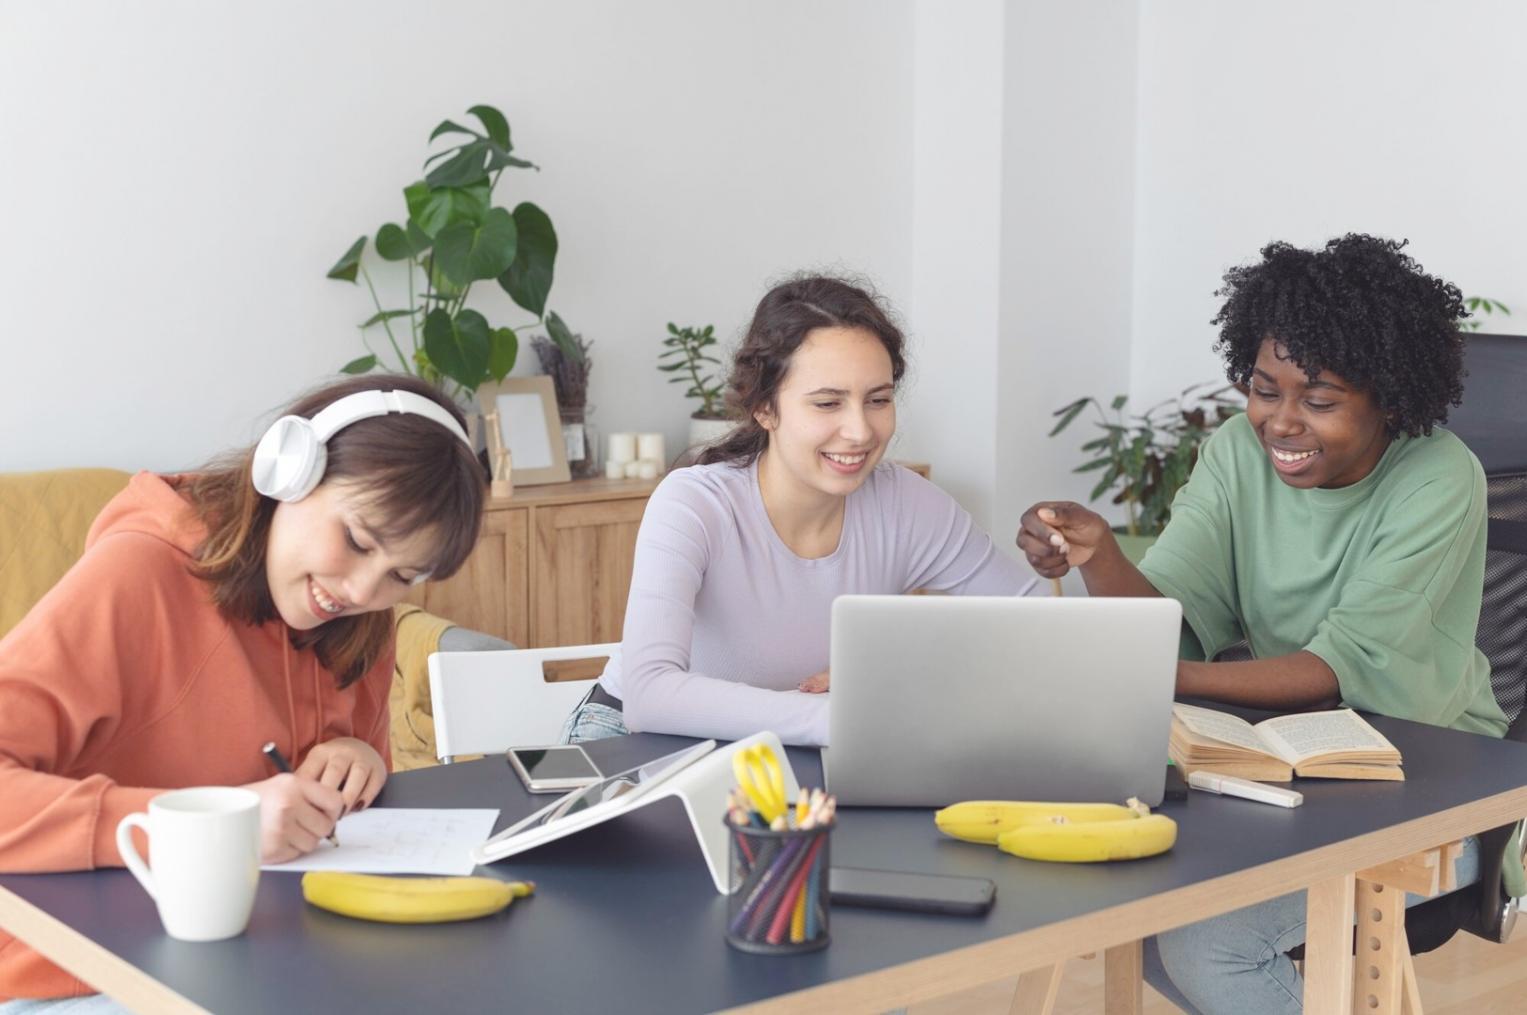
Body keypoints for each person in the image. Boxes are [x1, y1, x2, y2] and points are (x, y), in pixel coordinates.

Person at [1016, 233, 1502, 1015]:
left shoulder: (1439, 475)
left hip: (1434, 784)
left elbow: (1330, 666)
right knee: (1127, 904)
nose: (1279, 422)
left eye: (1318, 400)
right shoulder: (1234, 453)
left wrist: (1147, 674)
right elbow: (1161, 617)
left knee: (1211, 941)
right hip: (1281, 767)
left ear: (1387, 398)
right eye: (1262, 388)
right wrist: (1096, 555)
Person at [0, 374, 486, 1008]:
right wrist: (211, 830)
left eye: (401, 575)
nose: (365, 591)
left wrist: (358, 763)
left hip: (269, 956)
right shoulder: (136, 577)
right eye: (358, 541)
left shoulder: (360, 621)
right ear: (291, 471)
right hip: (79, 972)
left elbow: (332, 825)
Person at [562, 274, 1039, 748]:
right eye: (828, 403)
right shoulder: (694, 504)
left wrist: (893, 670)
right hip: (637, 736)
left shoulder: (908, 505)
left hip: (790, 743)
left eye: (878, 400)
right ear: (765, 409)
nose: (859, 431)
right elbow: (651, 695)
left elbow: (1041, 626)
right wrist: (844, 716)